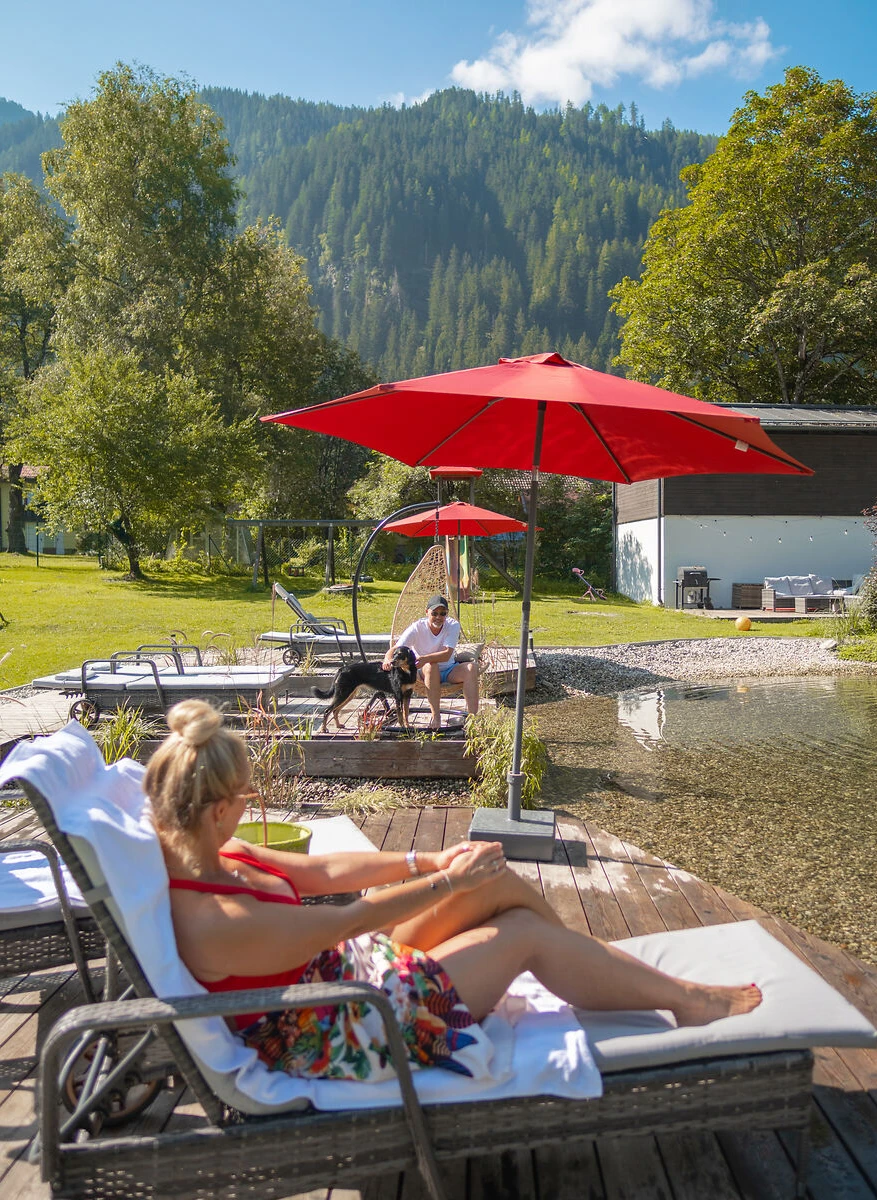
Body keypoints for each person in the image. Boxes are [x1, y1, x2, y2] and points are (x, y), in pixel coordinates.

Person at [147, 701, 762, 1084]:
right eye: (249, 797)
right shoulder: (213, 920)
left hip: (345, 972)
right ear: (220, 807)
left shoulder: (220, 852)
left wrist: (429, 857)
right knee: (522, 932)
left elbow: (326, 875)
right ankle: (679, 996)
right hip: (344, 1023)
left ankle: (586, 961)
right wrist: (447, 881)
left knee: (498, 880)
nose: (255, 804)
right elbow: (343, 920)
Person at [385, 594, 478, 731]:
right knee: (431, 666)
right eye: (434, 613)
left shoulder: (452, 625)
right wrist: (387, 659)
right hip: (424, 671)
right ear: (427, 612)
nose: (438, 617)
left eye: (443, 613)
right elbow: (395, 649)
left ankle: (473, 719)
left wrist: (425, 658)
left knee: (471, 667)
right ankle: (436, 716)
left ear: (446, 614)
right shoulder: (417, 628)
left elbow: (447, 655)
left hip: (449, 669)